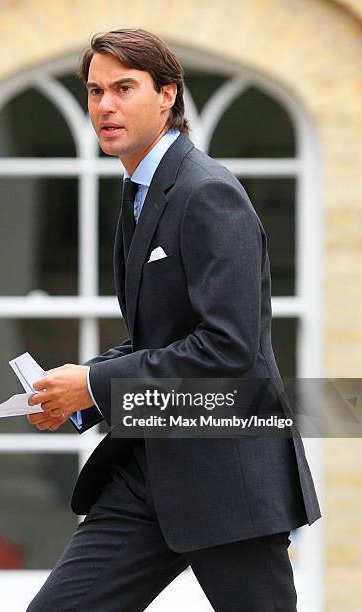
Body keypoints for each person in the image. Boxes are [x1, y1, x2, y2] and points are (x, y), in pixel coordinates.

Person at [25, 28, 321, 612]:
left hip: (226, 476)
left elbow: (227, 350)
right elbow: (163, 340)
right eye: (93, 91)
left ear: (167, 95)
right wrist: (81, 391)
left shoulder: (207, 192)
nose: (105, 106)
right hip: (146, 472)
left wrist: (93, 383)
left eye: (123, 88)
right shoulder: (141, 191)